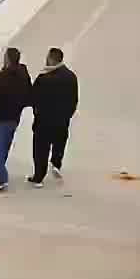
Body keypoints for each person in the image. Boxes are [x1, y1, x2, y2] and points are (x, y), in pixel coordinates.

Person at [28, 47, 79, 187]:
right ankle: (56, 163)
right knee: (59, 142)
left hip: (44, 121)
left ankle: (39, 177)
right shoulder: (71, 76)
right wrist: (68, 114)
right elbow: (74, 99)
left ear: (51, 59)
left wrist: (36, 112)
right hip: (62, 120)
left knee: (41, 149)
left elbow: (33, 97)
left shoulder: (43, 78)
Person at [0, 47, 32, 191]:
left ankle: (2, 177)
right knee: (5, 144)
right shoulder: (24, 75)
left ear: (8, 60)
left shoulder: (1, 77)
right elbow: (29, 95)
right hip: (13, 117)